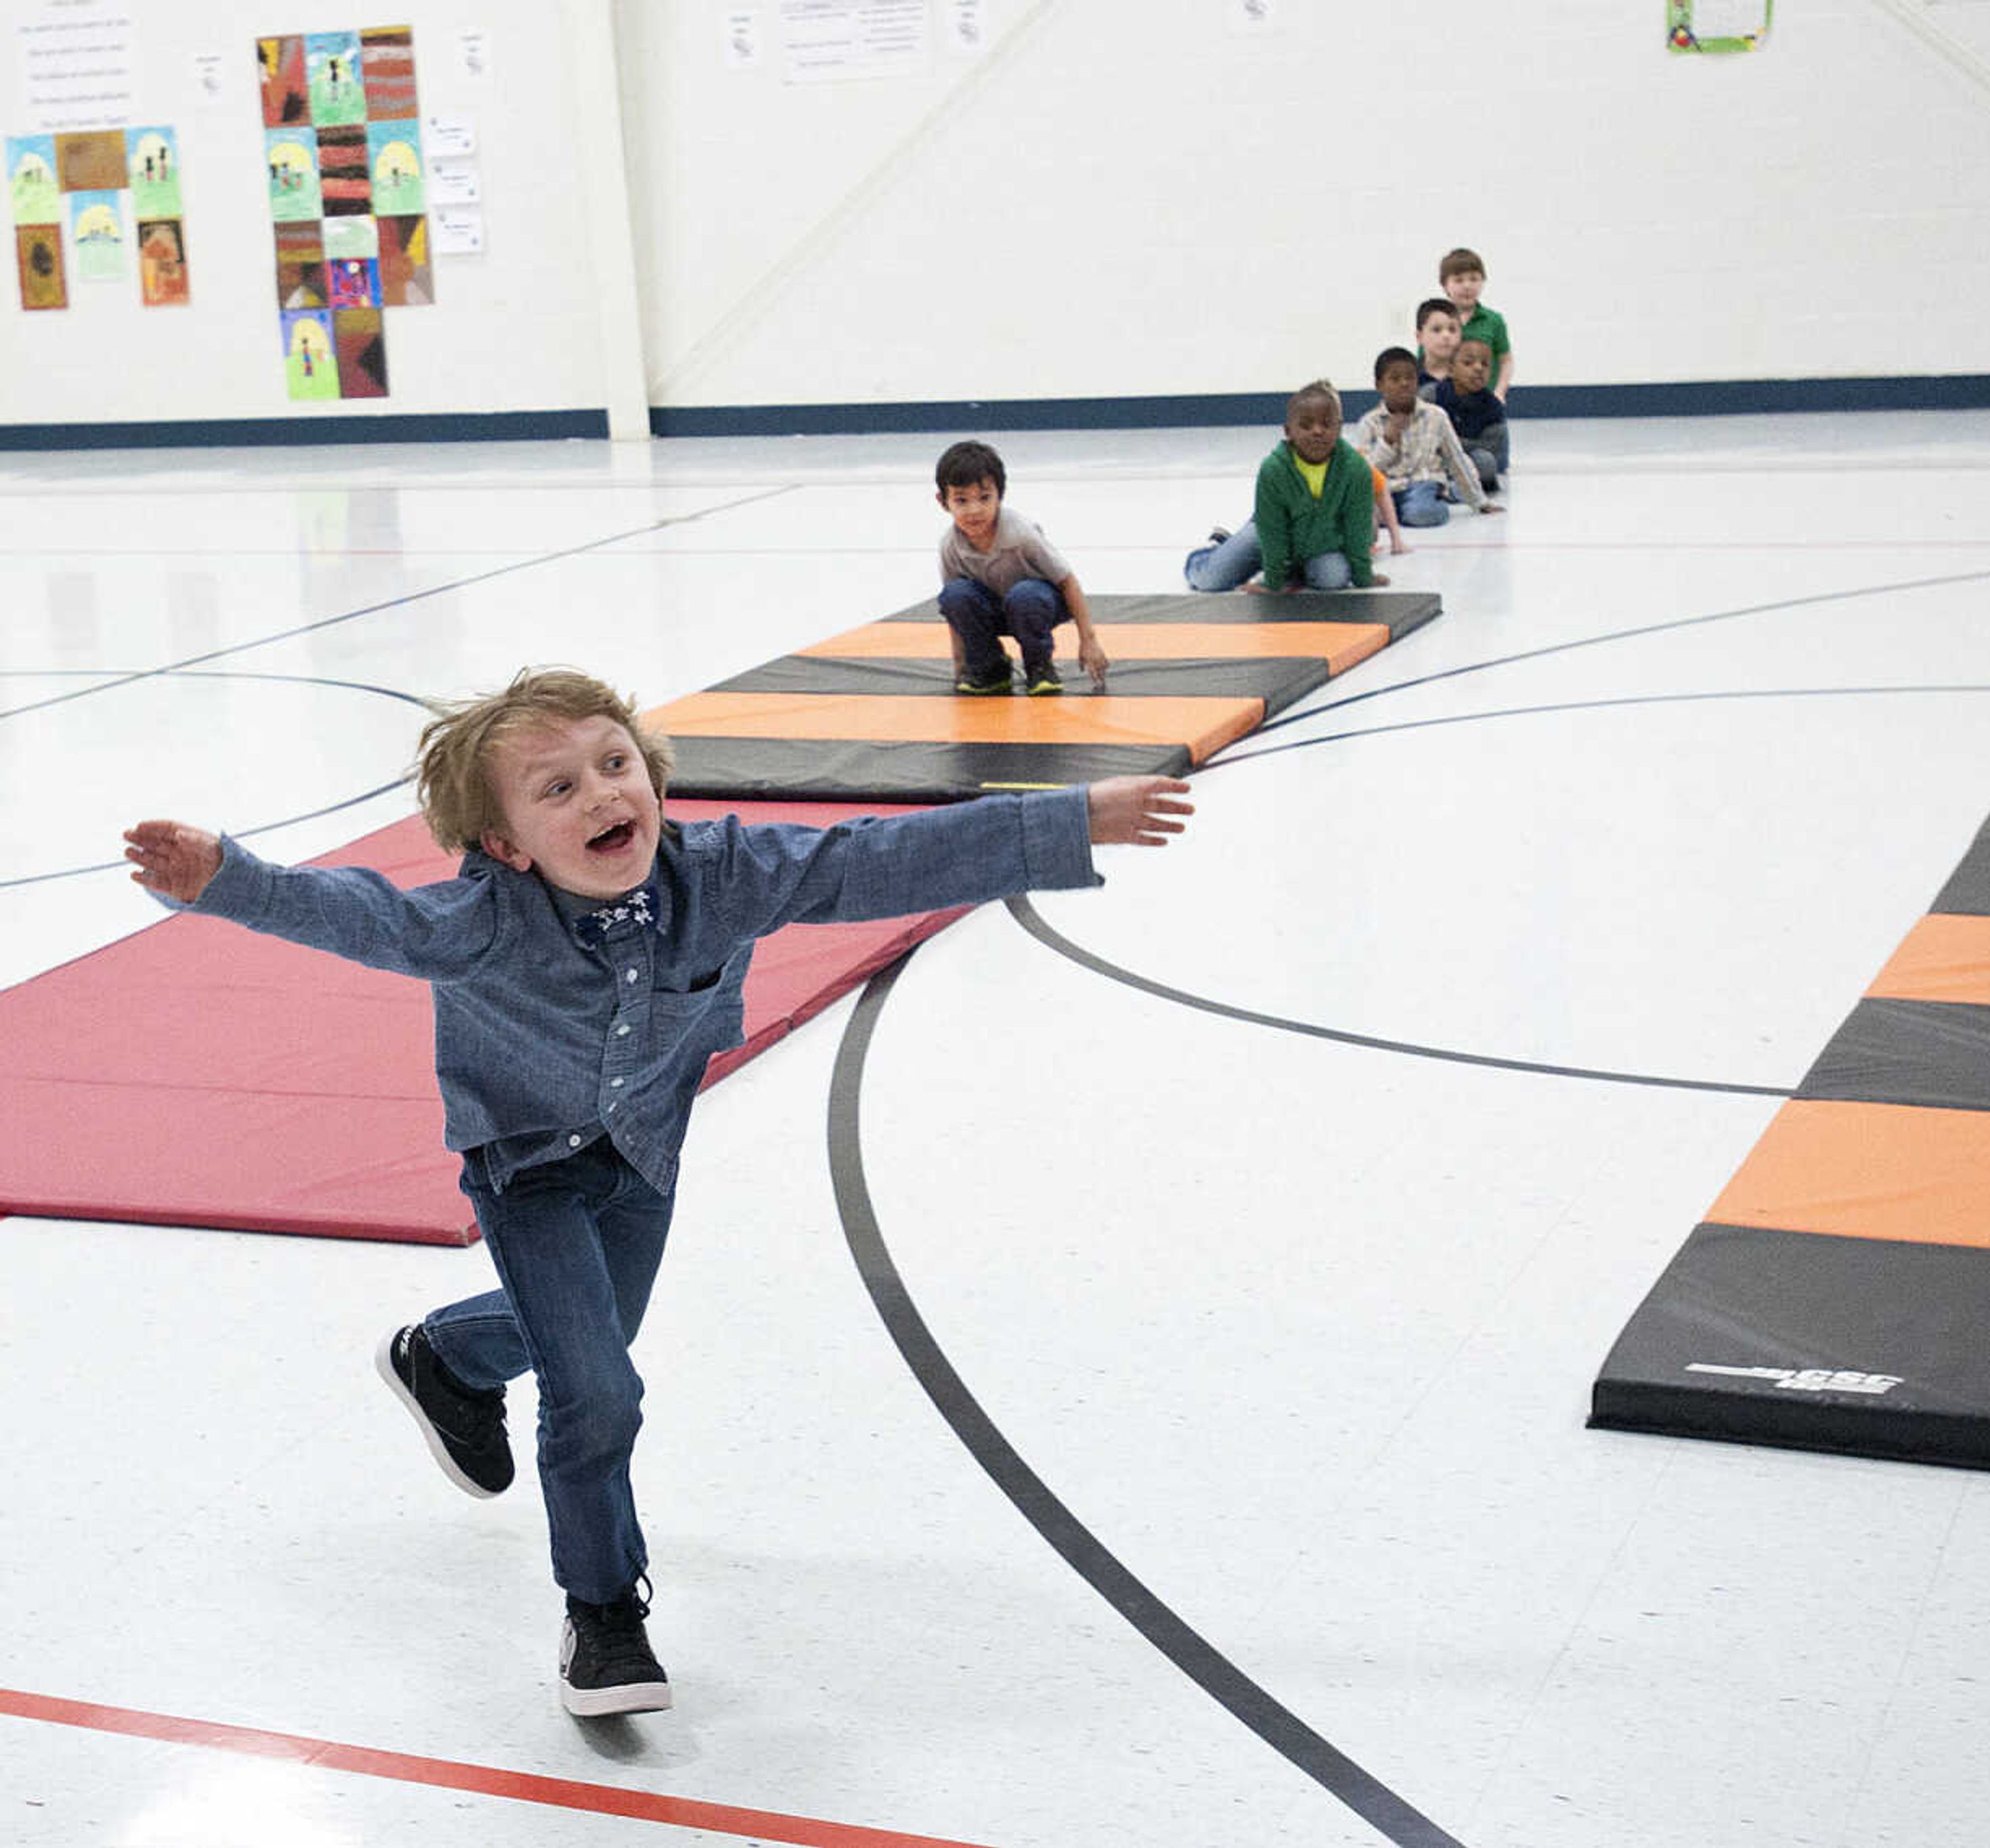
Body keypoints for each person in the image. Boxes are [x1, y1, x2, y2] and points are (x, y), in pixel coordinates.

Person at [121, 669, 1192, 1718]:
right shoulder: (479, 920)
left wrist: (1065, 822)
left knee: (595, 1334)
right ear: (504, 845)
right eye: (559, 789)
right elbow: (360, 915)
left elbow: (870, 860)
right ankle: (602, 1613)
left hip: (642, 1148)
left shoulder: (720, 873)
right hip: (527, 1161)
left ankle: (446, 1354)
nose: (603, 795)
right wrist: (226, 875)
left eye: (616, 763)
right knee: (598, 1390)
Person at [934, 439, 1107, 696]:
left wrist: (1088, 640)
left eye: (985, 498)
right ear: (943, 501)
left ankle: (1039, 664)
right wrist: (961, 662)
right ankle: (990, 666)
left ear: (1000, 497)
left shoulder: (1021, 535)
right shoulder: (951, 545)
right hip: (994, 611)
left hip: (1037, 606)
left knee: (1025, 595)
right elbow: (954, 611)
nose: (974, 510)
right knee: (955, 595)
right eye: (962, 501)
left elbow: (1068, 581)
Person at [1183, 381, 1389, 593]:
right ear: (1288, 431)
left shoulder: (1356, 469)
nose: (1317, 432)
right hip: (1270, 532)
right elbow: (1272, 530)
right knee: (1211, 581)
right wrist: (1273, 582)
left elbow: (1358, 529)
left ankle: (1293, 568)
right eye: (1306, 425)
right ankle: (1211, 554)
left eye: (1327, 424)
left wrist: (1364, 577)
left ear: (1339, 427)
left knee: (1333, 579)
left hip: (1323, 542)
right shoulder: (1274, 469)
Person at [1351, 348, 1498, 526]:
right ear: (1379, 385)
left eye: (1410, 378)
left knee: (1422, 514)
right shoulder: (1369, 423)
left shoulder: (1436, 416)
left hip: (1423, 485)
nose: (1404, 384)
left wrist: (1479, 501)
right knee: (1362, 515)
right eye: (1395, 379)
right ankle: (1393, 514)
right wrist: (1387, 442)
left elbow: (1457, 460)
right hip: (1387, 489)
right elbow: (1364, 473)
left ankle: (1409, 511)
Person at [1433, 336, 1509, 491]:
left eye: (1485, 364)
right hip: (1438, 456)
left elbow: (1491, 447)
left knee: (1486, 463)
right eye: (1468, 363)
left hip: (1470, 458)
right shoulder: (1434, 395)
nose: (1478, 369)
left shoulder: (1493, 406)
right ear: (1451, 370)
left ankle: (1456, 486)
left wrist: (1453, 445)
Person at [1440, 247, 1512, 400]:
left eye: (1474, 279)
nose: (1467, 286)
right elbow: (1425, 363)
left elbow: (1506, 361)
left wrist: (1500, 392)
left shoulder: (1494, 320)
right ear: (1445, 285)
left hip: (1484, 400)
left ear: (1483, 281)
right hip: (1447, 402)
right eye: (1459, 280)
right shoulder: (1437, 320)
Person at [1413, 296, 1464, 397]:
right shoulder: (1409, 377)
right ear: (1420, 337)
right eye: (1437, 330)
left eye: (1452, 330)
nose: (1446, 336)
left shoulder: (1469, 377)